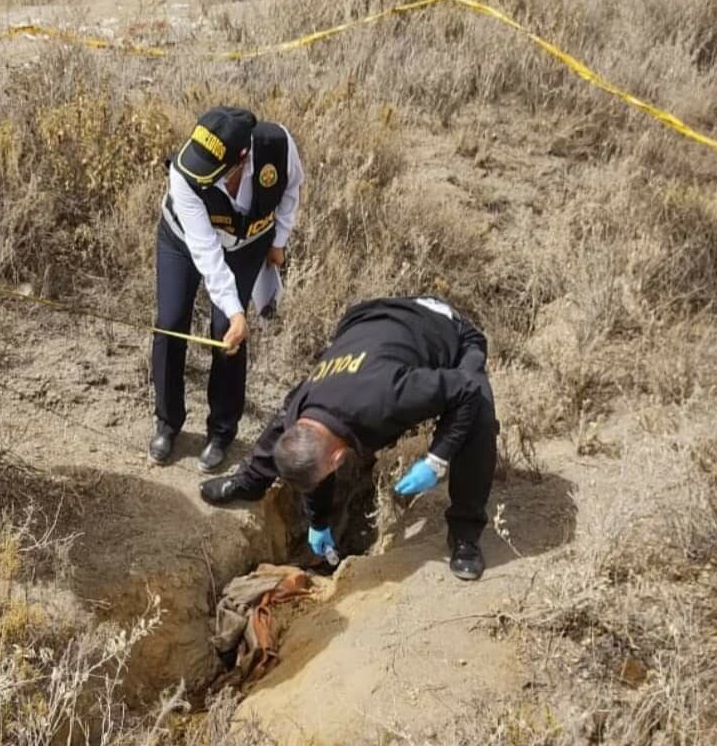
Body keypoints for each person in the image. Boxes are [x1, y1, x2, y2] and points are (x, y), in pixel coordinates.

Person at [200, 296, 498, 580]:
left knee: (479, 418)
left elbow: (467, 388)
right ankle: (250, 484)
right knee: (305, 454)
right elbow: (303, 455)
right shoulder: (299, 406)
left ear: (339, 459)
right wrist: (317, 520)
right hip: (368, 320)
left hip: (448, 331)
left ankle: (465, 534)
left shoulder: (390, 398)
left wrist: (436, 460)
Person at [150, 106, 304, 472]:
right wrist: (237, 310)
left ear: (242, 158)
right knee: (170, 322)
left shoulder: (277, 145)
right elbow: (206, 254)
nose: (201, 177)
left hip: (246, 244)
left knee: (226, 334)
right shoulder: (184, 176)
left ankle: (221, 432)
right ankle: (167, 422)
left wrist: (279, 239)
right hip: (183, 242)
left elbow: (291, 187)